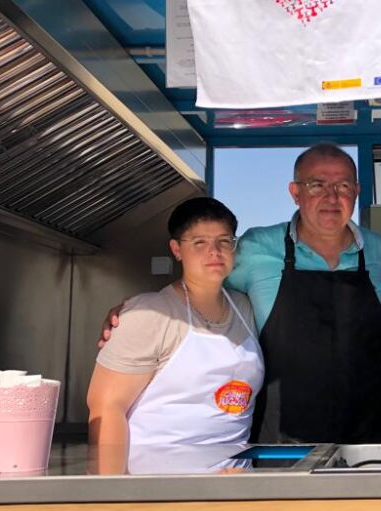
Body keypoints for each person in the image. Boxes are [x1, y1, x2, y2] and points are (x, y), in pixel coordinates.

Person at [100, 143, 381, 444]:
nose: (331, 197)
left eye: (343, 185)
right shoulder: (257, 247)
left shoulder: (379, 250)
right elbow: (205, 288)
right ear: (295, 192)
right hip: (279, 438)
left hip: (365, 437)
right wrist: (141, 311)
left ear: (357, 190)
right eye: (317, 184)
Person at [87, 197, 263, 473]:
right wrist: (109, 497)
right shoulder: (149, 314)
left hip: (235, 485)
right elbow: (106, 408)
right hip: (159, 491)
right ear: (176, 249)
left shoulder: (246, 307)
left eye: (224, 241)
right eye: (199, 243)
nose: (214, 252)